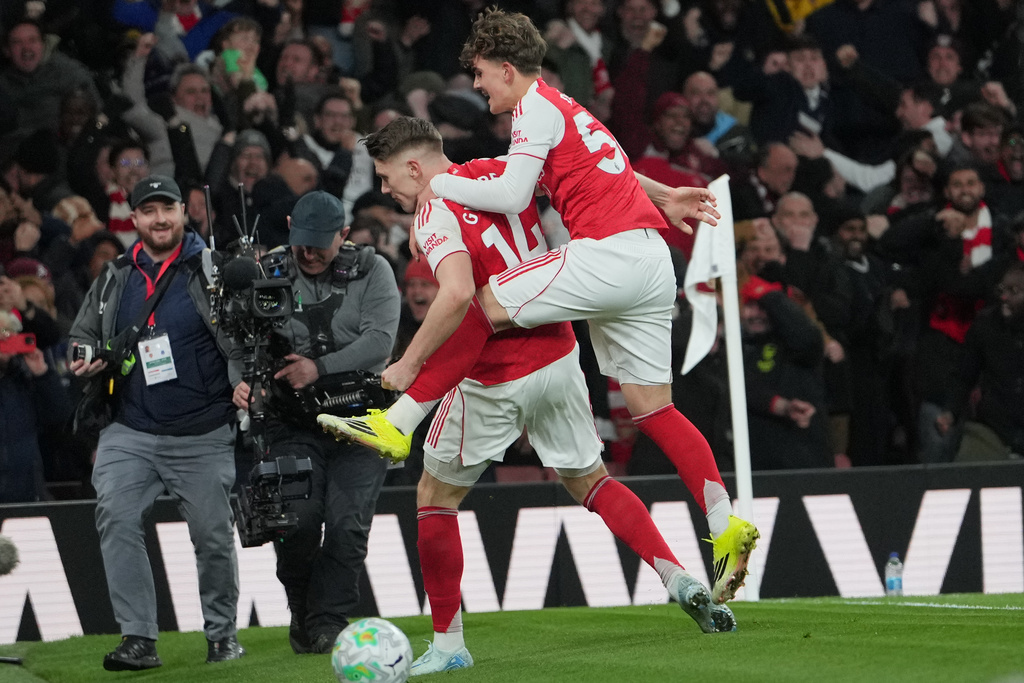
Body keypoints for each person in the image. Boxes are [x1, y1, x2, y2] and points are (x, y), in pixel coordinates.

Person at [321, 8, 758, 607]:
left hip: (607, 256)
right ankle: (724, 523)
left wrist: (435, 189)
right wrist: (665, 196)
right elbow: (612, 172)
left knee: (479, 303)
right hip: (651, 261)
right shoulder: (567, 109)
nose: (478, 86)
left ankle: (399, 419)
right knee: (652, 409)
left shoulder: (533, 110)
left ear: (507, 69)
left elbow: (511, 194)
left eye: (480, 73)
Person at [358, 117, 736, 674]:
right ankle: (676, 576)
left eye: (388, 177)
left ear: (415, 168)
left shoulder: (434, 210)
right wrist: (662, 196)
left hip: (490, 373)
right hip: (558, 357)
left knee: (435, 498)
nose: (385, 189)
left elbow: (459, 295)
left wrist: (410, 362)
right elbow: (598, 176)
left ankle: (448, 644)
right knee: (592, 482)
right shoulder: (501, 172)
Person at [68, 175, 244, 670]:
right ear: (134, 219)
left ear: (184, 211)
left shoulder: (212, 269)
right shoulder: (115, 276)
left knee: (212, 537)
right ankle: (138, 639)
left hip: (203, 430)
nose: (160, 219)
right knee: (116, 515)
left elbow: (242, 339)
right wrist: (84, 358)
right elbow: (79, 337)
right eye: (148, 211)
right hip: (131, 428)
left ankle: (222, 635)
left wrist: (244, 384)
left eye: (167, 208)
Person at [233, 190, 400, 654]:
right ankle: (302, 607)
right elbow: (239, 340)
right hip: (291, 422)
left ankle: (328, 622)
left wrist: (318, 368)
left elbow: (380, 341)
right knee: (296, 521)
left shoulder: (373, 270)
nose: (308, 253)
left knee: (348, 524)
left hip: (362, 420)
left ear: (343, 234)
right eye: (301, 241)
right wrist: (240, 383)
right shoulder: (267, 272)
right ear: (289, 226)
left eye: (319, 244)